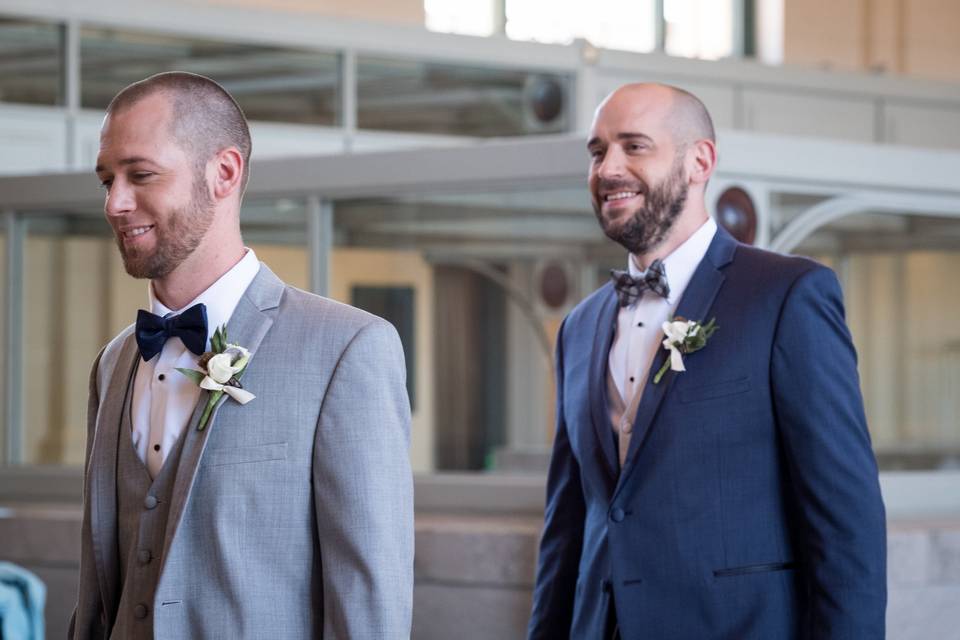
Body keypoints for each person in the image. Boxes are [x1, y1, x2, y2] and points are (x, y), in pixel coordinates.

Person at [527, 83, 886, 639]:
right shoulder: (579, 327)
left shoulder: (786, 296)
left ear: (701, 161)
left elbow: (846, 528)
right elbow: (566, 527)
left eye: (634, 146)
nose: (608, 168)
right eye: (598, 152)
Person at [70, 71, 413, 639]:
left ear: (224, 172)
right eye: (107, 180)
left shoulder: (347, 349)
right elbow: (97, 589)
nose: (115, 203)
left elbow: (368, 604)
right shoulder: (113, 363)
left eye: (141, 175)